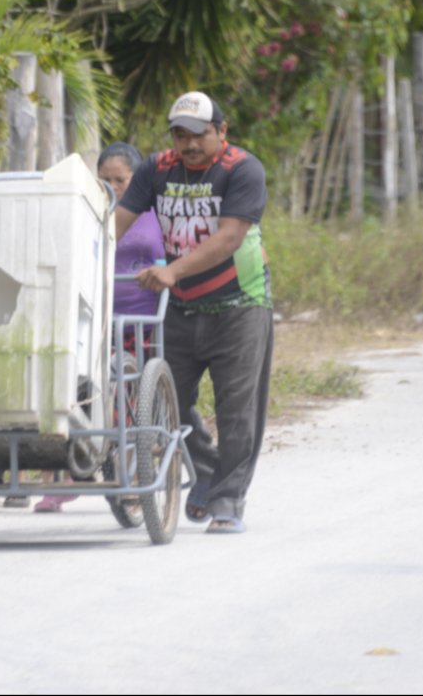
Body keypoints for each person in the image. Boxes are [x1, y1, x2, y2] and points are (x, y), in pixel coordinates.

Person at [113, 91, 274, 535]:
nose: (189, 144)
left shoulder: (242, 169)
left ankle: (227, 498)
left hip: (239, 304)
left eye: (199, 135)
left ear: (221, 132)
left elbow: (228, 238)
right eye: (180, 135)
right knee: (166, 400)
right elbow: (117, 221)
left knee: (237, 408)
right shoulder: (157, 168)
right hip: (180, 308)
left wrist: (173, 271)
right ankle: (205, 471)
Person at [33, 142, 166, 514]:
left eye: (120, 180)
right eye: (104, 179)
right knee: (71, 389)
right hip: (94, 320)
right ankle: (63, 477)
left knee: (128, 401)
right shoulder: (90, 214)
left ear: (136, 179)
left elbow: (167, 259)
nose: (112, 187)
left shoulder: (154, 214)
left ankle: (132, 478)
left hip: (142, 322)